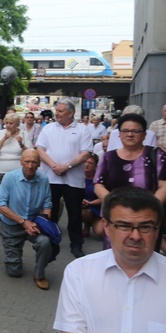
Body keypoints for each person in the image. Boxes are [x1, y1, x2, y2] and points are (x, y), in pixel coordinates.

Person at [53, 187, 166, 333]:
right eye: (124, 226)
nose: (135, 236)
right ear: (106, 226)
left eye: (145, 227)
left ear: (157, 227)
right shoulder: (79, 271)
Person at [94, 113, 166, 249]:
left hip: (146, 219)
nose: (130, 134)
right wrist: (113, 203)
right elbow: (99, 184)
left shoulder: (156, 155)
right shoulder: (109, 156)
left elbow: (164, 186)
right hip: (116, 218)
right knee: (115, 257)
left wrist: (148, 208)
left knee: (145, 256)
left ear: (144, 135)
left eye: (135, 131)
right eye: (125, 131)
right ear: (119, 134)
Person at [36, 99, 93, 258]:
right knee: (50, 213)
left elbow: (86, 153)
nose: (57, 113)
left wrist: (66, 166)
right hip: (50, 178)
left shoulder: (82, 130)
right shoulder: (48, 129)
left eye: (61, 111)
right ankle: (50, 242)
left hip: (73, 180)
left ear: (70, 113)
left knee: (75, 214)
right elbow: (40, 149)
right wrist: (54, 165)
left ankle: (76, 245)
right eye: (57, 111)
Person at [0, 149, 54, 290]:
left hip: (33, 223)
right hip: (11, 225)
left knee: (45, 242)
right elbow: (0, 205)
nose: (30, 165)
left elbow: (47, 205)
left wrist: (44, 222)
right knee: (14, 272)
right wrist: (23, 222)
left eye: (34, 162)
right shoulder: (9, 177)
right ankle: (13, 256)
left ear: (39, 164)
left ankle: (39, 274)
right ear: (21, 161)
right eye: (27, 161)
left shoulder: (44, 179)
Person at [0, 113, 31, 194]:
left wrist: (21, 144)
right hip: (1, 170)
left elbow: (30, 154)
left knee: (18, 195)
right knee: (1, 196)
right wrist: (5, 138)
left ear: (17, 124)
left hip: (18, 170)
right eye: (6, 123)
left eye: (11, 123)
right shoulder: (0, 133)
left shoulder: (24, 134)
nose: (8, 125)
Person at [80, 154, 103, 240]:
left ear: (96, 167)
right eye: (85, 162)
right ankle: (86, 226)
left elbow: (103, 198)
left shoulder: (99, 179)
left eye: (90, 163)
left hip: (97, 208)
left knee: (100, 233)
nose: (86, 165)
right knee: (86, 212)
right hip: (83, 208)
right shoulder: (77, 177)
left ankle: (94, 223)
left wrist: (91, 203)